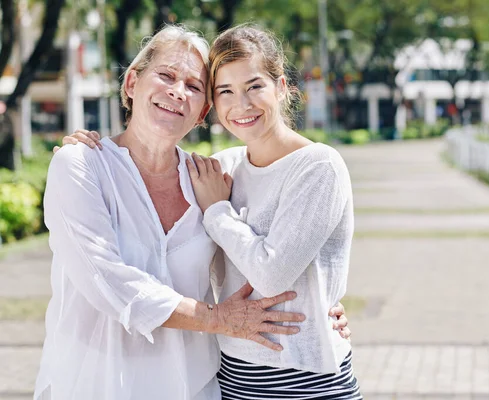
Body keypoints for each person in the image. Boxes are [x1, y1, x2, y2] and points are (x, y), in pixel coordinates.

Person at [38, 25, 349, 400]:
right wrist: (216, 319)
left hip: (202, 386)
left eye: (194, 85)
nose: (176, 91)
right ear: (132, 83)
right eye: (166, 76)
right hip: (100, 384)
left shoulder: (210, 177)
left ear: (203, 111)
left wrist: (321, 300)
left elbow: (273, 262)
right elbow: (107, 280)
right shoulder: (86, 167)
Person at [187, 25, 362, 399]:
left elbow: (271, 276)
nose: (242, 104)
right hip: (232, 376)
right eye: (225, 92)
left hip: (307, 380)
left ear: (281, 87)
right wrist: (87, 154)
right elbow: (148, 178)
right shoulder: (222, 167)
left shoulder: (318, 166)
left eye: (254, 86)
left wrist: (217, 211)